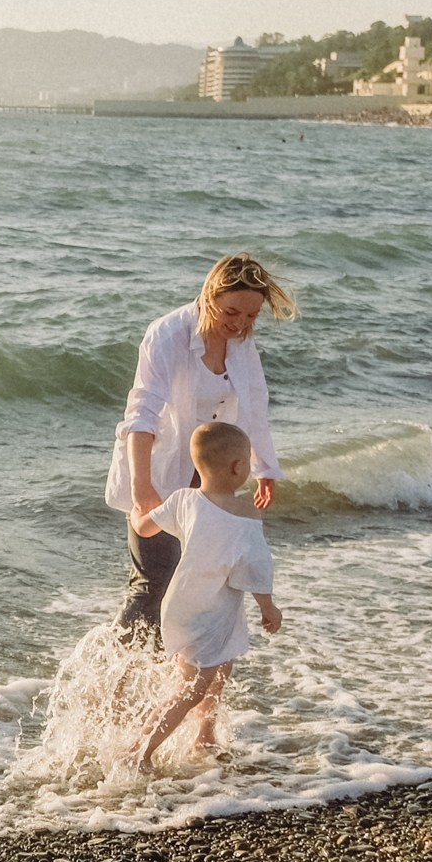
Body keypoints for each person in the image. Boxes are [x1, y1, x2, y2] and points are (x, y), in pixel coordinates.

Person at [104, 253, 293, 642]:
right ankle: (109, 681)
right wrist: (142, 487)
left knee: (195, 586)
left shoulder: (241, 343)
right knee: (152, 584)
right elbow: (141, 414)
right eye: (232, 312)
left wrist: (265, 469)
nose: (240, 325)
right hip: (157, 471)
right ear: (210, 295)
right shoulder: (167, 335)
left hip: (211, 481)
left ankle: (169, 682)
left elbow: (255, 404)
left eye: (251, 317)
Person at [130, 421, 280, 769]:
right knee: (192, 687)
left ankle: (204, 735)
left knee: (220, 665)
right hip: (211, 609)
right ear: (238, 468)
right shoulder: (245, 514)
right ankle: (139, 750)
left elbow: (145, 527)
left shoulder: (184, 499)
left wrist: (137, 510)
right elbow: (256, 566)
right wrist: (268, 606)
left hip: (185, 603)